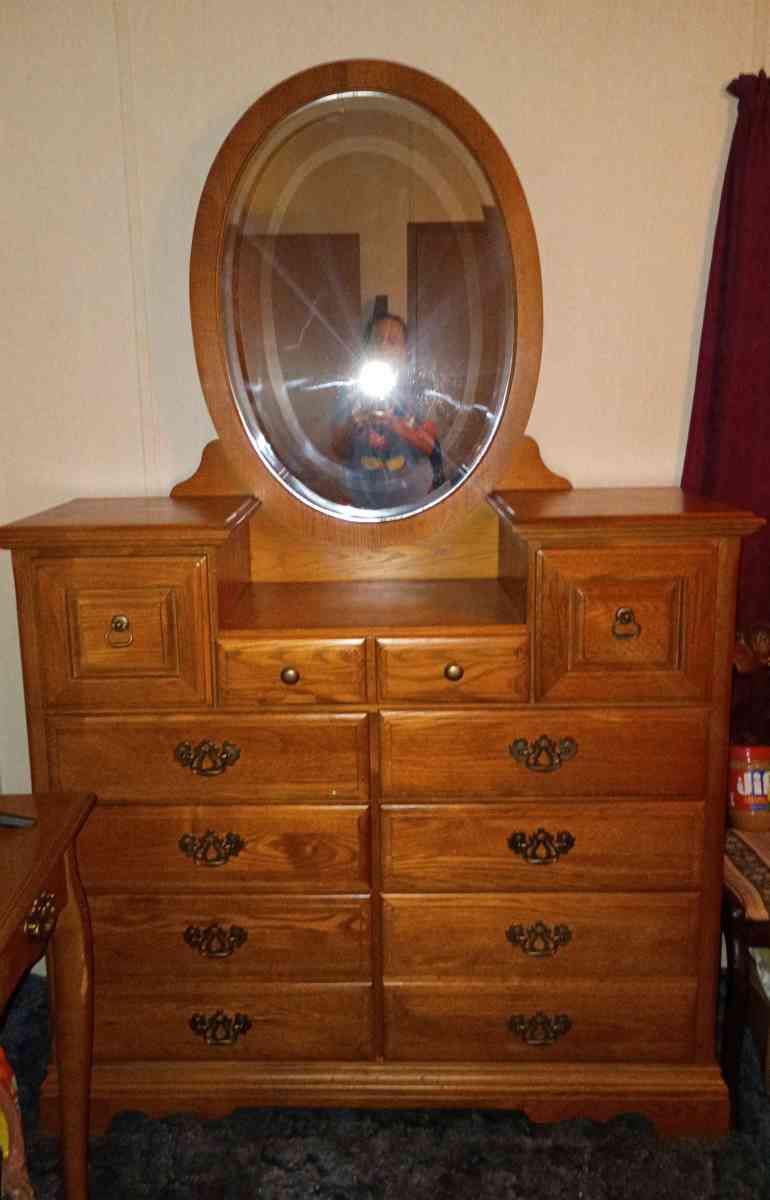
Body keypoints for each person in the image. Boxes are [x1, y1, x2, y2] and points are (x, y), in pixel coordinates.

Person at [331, 308, 444, 508]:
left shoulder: (419, 391)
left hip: (412, 498)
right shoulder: (349, 391)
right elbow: (339, 450)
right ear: (367, 349)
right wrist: (355, 421)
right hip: (362, 497)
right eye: (377, 340)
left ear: (405, 352)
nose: (383, 346)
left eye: (392, 341)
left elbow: (431, 448)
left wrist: (396, 425)